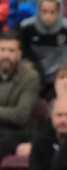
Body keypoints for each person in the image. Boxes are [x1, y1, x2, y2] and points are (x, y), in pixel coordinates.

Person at [18, 0, 67, 92]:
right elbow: (21, 47)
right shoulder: (27, 26)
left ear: (59, 11)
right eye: (44, 12)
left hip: (60, 73)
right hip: (36, 72)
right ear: (38, 10)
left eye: (52, 12)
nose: (48, 16)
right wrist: (25, 61)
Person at [0, 29, 41, 157]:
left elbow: (21, 115)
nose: (6, 55)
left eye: (11, 51)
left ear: (19, 54)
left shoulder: (30, 77)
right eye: (2, 50)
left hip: (15, 132)